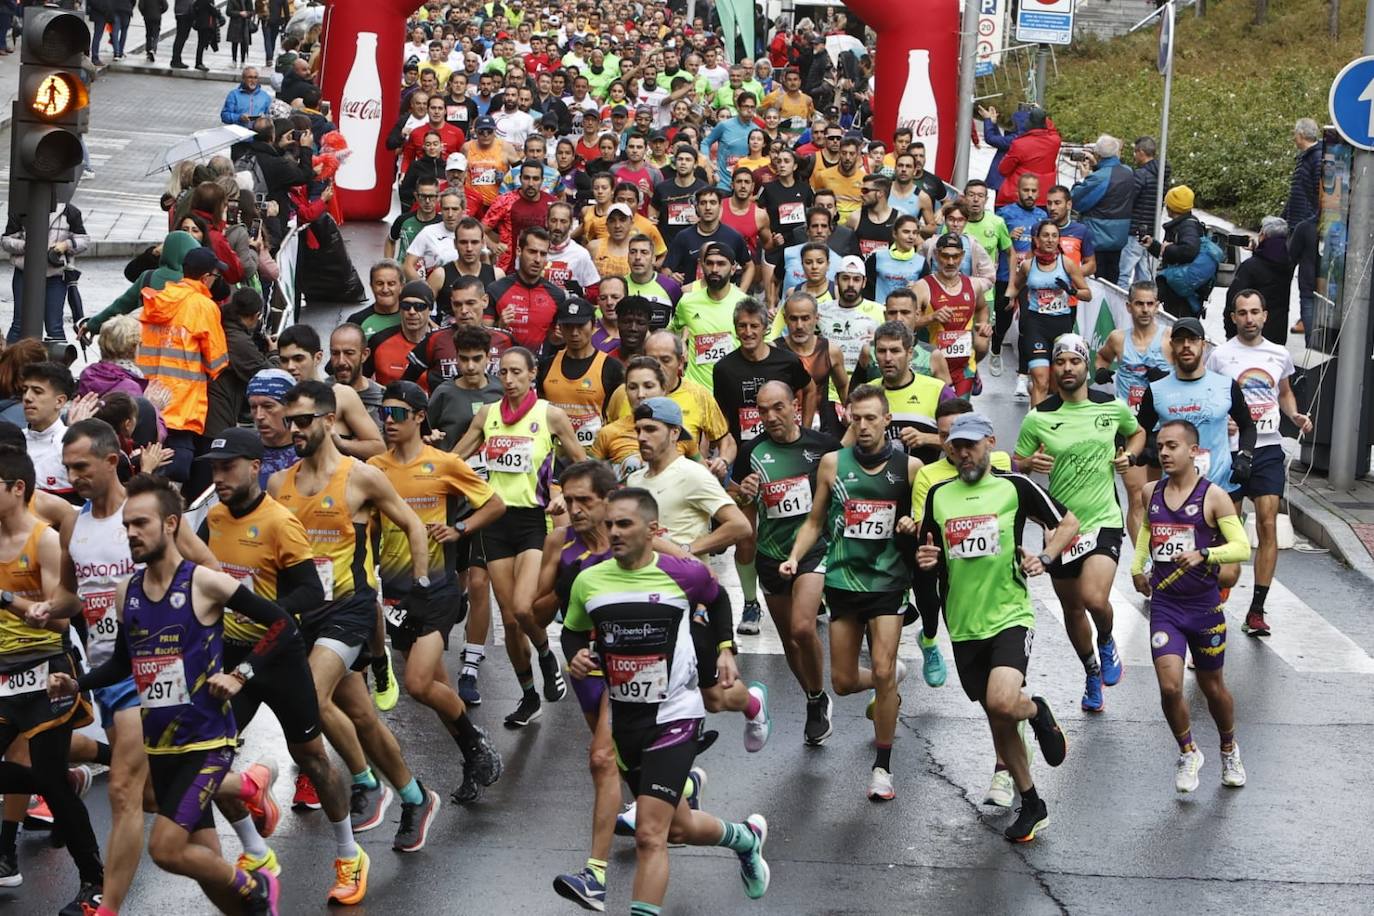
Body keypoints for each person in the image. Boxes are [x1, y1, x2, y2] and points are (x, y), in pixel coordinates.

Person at [48, 472, 296, 914]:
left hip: (207, 742)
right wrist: (77, 683)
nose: (130, 534)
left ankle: (257, 887)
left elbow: (282, 625)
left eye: (140, 523)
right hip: (161, 746)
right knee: (206, 870)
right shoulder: (129, 592)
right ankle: (251, 906)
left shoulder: (204, 582)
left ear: (170, 524)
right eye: (126, 526)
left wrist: (241, 673)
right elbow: (124, 663)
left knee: (165, 849)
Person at [563, 488, 771, 913]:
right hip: (626, 719)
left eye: (625, 524)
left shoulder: (682, 574)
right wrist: (575, 656)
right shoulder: (590, 579)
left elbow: (717, 600)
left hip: (675, 714)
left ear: (653, 530)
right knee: (679, 827)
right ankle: (745, 838)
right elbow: (571, 629)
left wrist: (726, 648)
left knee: (649, 835)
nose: (614, 533)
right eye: (609, 525)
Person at [267, 381, 443, 850]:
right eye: (289, 422)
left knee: (309, 693)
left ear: (328, 421)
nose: (294, 429)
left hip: (350, 609)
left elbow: (412, 525)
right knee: (362, 717)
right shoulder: (277, 484)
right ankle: (415, 796)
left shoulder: (359, 476)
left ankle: (365, 782)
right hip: (304, 616)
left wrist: (420, 588)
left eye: (303, 420)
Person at [198, 428, 370, 905]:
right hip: (231, 656)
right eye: (214, 468)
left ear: (255, 467)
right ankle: (256, 851)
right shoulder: (211, 517)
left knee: (313, 757)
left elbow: (310, 594)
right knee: (210, 760)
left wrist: (259, 607)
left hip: (278, 655)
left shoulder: (279, 523)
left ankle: (350, 854)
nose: (220, 477)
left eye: (228, 466)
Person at [543, 461, 696, 910]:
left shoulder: (651, 549)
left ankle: (594, 872)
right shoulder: (565, 548)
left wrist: (712, 658)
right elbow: (531, 613)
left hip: (646, 686)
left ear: (609, 501)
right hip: (594, 676)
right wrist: (569, 641)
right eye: (568, 501)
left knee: (601, 759)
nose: (574, 510)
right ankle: (738, 834)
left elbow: (701, 592)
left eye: (584, 501)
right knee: (680, 826)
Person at [918, 413, 1074, 841]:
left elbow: (1068, 523)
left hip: (1009, 615)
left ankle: (1037, 710)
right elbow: (929, 550)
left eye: (970, 444)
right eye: (955, 445)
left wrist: (1044, 557)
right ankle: (1032, 803)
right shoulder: (939, 495)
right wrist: (926, 560)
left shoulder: (1014, 487)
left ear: (990, 443)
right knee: (998, 717)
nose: (963, 453)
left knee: (1005, 702)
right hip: (964, 623)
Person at [367, 382, 507, 805]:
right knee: (437, 687)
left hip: (439, 587)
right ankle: (472, 754)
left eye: (397, 414)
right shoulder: (374, 468)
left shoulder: (444, 464)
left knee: (417, 683)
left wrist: (460, 528)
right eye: (383, 414)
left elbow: (495, 504)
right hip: (395, 592)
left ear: (418, 417)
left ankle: (476, 739)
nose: (388, 422)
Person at [780, 384, 919, 801]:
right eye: (855, 418)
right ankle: (890, 680)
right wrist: (794, 556)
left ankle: (882, 768)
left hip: (889, 581)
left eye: (871, 418)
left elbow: (924, 514)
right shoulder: (831, 465)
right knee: (841, 682)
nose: (862, 425)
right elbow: (813, 521)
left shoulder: (909, 468)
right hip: (842, 580)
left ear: (887, 420)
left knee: (879, 667)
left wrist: (912, 524)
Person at [453, 348, 586, 727]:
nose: (508, 380)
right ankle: (529, 695)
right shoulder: (488, 415)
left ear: (532, 374)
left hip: (532, 521)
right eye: (504, 372)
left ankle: (546, 656)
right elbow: (456, 456)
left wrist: (563, 493)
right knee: (510, 621)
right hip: (495, 520)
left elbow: (581, 463)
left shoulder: (550, 415)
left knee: (525, 608)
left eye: (516, 372)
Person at [0, 447, 105, 914]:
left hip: (47, 670)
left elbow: (62, 620)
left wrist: (7, 599)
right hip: (2, 672)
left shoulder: (44, 541)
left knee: (50, 781)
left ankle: (94, 882)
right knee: (47, 777)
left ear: (17, 488)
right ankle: (61, 778)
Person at [1015, 335, 1143, 713]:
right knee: (1072, 608)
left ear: (1087, 366)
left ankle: (1106, 638)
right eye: (1060, 362)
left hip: (1103, 518)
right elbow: (1017, 461)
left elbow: (1136, 433)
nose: (1067, 368)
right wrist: (1030, 464)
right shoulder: (1039, 417)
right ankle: (1090, 671)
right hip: (1060, 526)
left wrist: (1130, 458)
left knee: (1094, 598)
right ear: (1052, 368)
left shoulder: (1111, 407)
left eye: (1075, 361)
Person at [1130, 420, 1250, 792]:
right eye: (1160, 446)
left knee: (1214, 688)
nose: (1164, 453)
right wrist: (1137, 568)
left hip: (1204, 607)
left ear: (1193, 451)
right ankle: (1188, 751)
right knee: (1169, 687)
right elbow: (1148, 532)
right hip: (1166, 605)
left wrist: (1205, 554)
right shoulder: (1151, 491)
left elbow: (1242, 547)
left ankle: (1228, 748)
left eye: (1173, 446)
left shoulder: (1214, 496)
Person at [731, 381, 839, 744]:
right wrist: (741, 492)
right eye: (762, 411)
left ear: (795, 404)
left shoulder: (822, 446)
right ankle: (814, 697)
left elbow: (845, 487)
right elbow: (742, 508)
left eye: (778, 407)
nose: (770, 417)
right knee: (790, 641)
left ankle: (818, 693)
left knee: (803, 629)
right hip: (771, 555)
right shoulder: (752, 451)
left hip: (813, 550)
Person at [1207, 291, 1312, 636]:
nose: (1249, 318)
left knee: (1267, 524)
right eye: (1242, 313)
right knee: (1227, 529)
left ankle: (1256, 609)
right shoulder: (1220, 356)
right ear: (1233, 318)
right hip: (1233, 451)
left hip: (1267, 449)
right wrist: (1224, 420)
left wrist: (1293, 414)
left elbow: (1282, 391)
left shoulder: (1279, 353)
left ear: (1265, 315)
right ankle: (1215, 604)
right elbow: (1212, 397)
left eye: (1255, 312)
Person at [1136, 317, 1257, 508]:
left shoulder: (1226, 385)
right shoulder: (1156, 390)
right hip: (1175, 492)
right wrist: (1145, 448)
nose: (1186, 345)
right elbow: (1139, 430)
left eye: (1192, 339)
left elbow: (1248, 426)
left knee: (1230, 539)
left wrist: (1245, 456)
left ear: (1204, 344)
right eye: (1180, 340)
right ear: (1171, 345)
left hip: (1222, 487)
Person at [1095, 281, 1172, 539]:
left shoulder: (1169, 338)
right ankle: (1144, 562)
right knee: (1138, 497)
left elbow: (1192, 369)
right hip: (1130, 427)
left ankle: (1162, 551)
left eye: (1150, 304)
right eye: (1139, 303)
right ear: (1129, 306)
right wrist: (1102, 372)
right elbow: (1101, 357)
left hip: (1163, 428)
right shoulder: (1118, 338)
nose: (1145, 310)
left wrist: (1165, 377)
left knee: (1163, 499)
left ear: (1158, 306)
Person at [1004, 220, 1092, 406]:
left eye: (1054, 236)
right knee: (1040, 380)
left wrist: (1071, 290)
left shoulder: (1067, 263)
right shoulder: (1028, 265)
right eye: (1045, 236)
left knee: (1056, 384)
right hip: (1036, 324)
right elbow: (1016, 286)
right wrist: (1007, 299)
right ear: (1037, 240)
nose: (1050, 240)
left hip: (1062, 325)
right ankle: (1036, 426)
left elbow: (1087, 294)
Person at [275, 324, 386, 460]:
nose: (290, 367)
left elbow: (379, 449)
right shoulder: (275, 399)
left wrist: (338, 442)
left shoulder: (341, 395)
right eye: (284, 360)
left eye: (298, 359)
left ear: (318, 357)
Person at [536, 298, 625, 451]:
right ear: (560, 328)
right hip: (554, 455)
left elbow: (620, 419)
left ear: (593, 325)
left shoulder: (611, 368)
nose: (574, 333)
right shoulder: (546, 366)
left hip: (594, 455)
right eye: (568, 326)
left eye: (580, 325)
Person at [916, 234, 993, 398]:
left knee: (959, 416)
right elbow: (906, 324)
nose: (950, 262)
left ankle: (975, 370)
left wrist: (984, 324)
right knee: (936, 417)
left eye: (955, 256)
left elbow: (982, 308)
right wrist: (931, 318)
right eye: (945, 256)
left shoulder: (973, 285)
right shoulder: (922, 287)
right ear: (936, 255)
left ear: (963, 256)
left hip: (963, 368)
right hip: (931, 366)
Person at [2, 201, 88, 344]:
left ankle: (56, 365)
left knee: (54, 326)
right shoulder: (22, 209)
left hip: (56, 275)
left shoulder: (70, 212)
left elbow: (84, 241)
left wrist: (65, 245)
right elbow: (6, 240)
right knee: (19, 323)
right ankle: (10, 364)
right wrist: (29, 245)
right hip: (25, 272)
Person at [670, 242, 750, 391]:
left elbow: (765, 343)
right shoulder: (687, 302)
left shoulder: (746, 303)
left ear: (733, 269)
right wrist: (680, 343)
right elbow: (670, 333)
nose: (714, 269)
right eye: (710, 263)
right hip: (696, 391)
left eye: (721, 264)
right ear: (702, 266)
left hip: (733, 390)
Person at [777, 291, 849, 438]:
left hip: (824, 428)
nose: (799, 325)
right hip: (784, 429)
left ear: (816, 318)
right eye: (793, 319)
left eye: (805, 318)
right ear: (785, 319)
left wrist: (850, 411)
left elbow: (843, 386)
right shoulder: (774, 351)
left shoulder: (831, 351)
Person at [1142, 185, 1219, 320]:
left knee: (1178, 328)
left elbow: (1188, 251)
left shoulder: (1187, 226)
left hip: (1181, 295)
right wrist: (1154, 246)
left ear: (1172, 207)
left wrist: (1166, 248)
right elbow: (1175, 256)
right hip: (1180, 289)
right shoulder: (1184, 224)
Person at [1069, 135, 1134, 282]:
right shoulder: (1128, 172)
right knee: (1113, 280)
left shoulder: (1099, 178)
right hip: (1120, 236)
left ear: (1097, 153)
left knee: (1097, 281)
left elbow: (1076, 201)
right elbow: (1112, 177)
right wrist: (1097, 166)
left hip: (1098, 237)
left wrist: (1083, 179)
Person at [1223, 218, 1294, 345]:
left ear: (1263, 236)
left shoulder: (1250, 267)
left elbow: (1233, 299)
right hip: (1277, 334)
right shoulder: (1287, 264)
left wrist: (1230, 332)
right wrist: (1258, 250)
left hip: (1250, 335)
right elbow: (1270, 262)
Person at [1282, 118, 1321, 337]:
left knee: (1305, 286)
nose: (1293, 137)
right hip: (1296, 226)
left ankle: (1308, 332)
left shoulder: (1315, 159)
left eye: (1294, 133)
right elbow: (1295, 195)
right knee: (1285, 274)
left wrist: (1310, 222)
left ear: (1301, 135)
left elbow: (1321, 195)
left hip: (1305, 229)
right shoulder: (1305, 158)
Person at [1119, 136, 1171, 289]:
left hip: (1135, 229)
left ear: (1141, 152)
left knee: (1123, 273)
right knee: (1145, 274)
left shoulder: (1141, 174)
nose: (1134, 156)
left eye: (1135, 152)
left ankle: (1121, 308)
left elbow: (1129, 198)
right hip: (1151, 231)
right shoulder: (1162, 176)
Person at [995, 107, 1060, 207]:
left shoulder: (1019, 144)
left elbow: (1003, 170)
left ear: (1029, 123)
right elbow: (1053, 130)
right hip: (1044, 196)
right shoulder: (1055, 141)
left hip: (1017, 197)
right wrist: (1041, 114)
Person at [810, 135, 865, 223]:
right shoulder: (823, 176)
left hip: (856, 225)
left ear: (858, 155)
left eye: (852, 154)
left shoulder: (865, 179)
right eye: (844, 153)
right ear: (839, 153)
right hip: (829, 223)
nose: (847, 158)